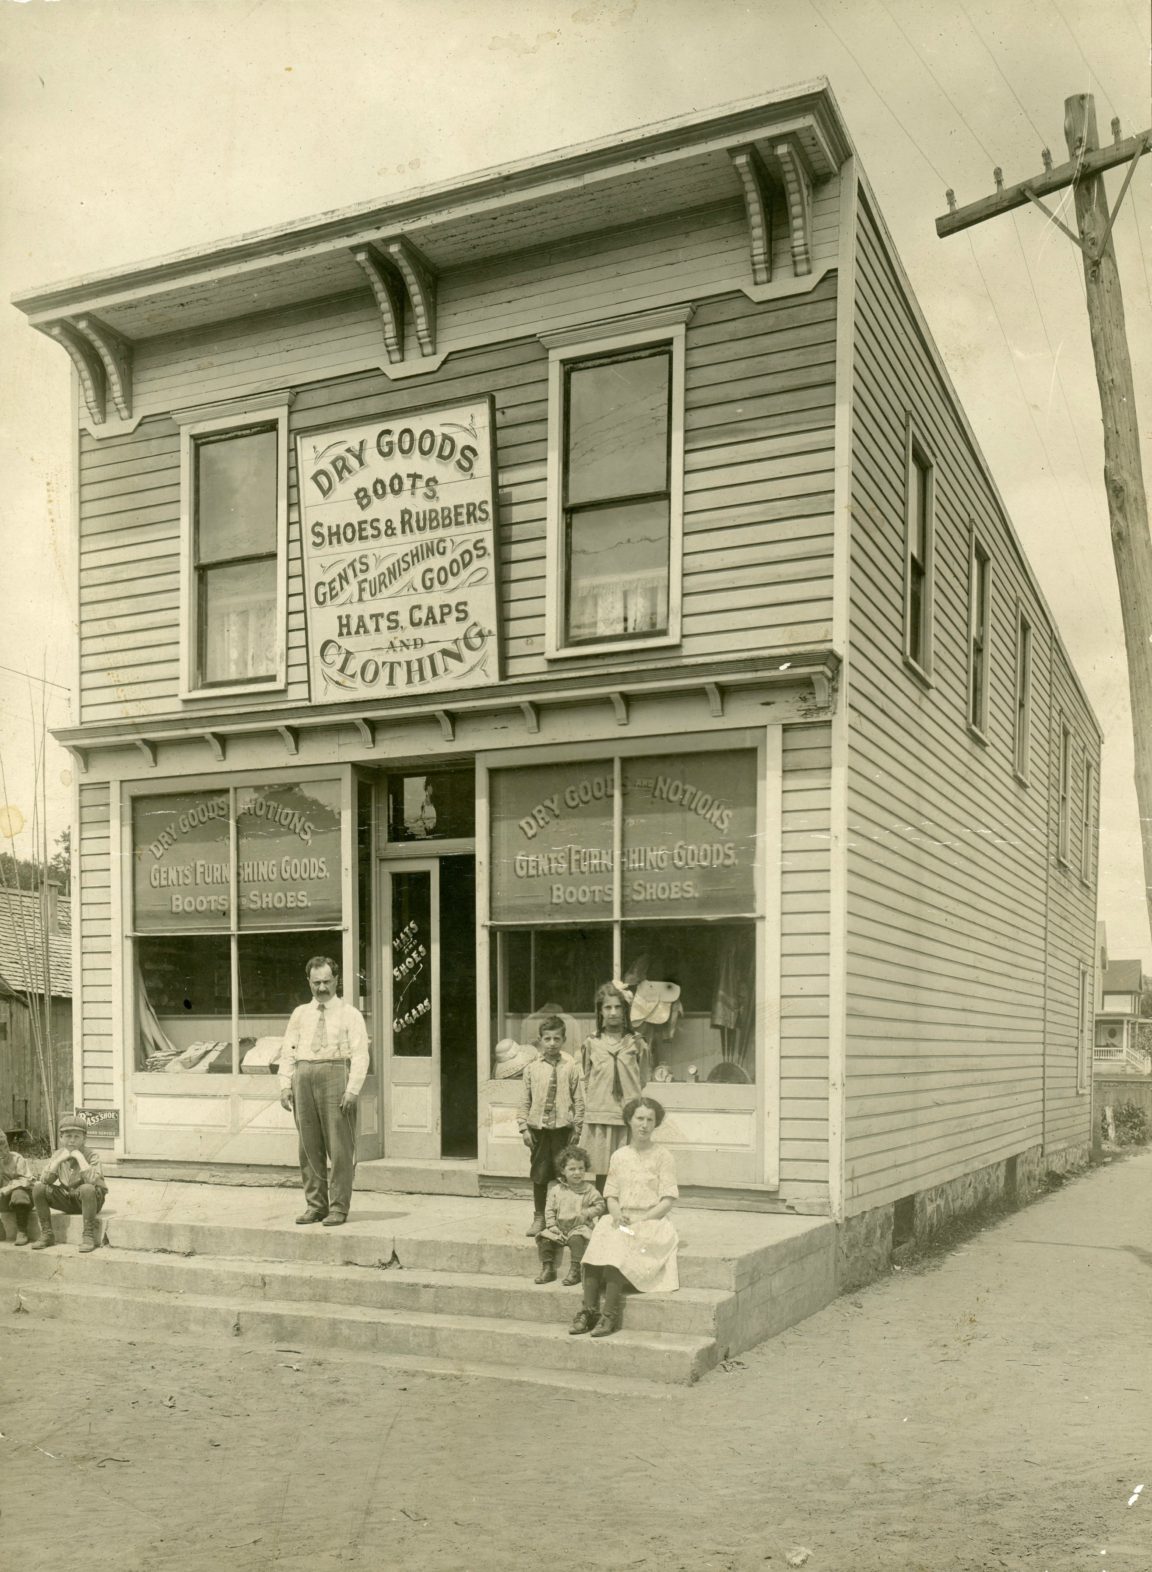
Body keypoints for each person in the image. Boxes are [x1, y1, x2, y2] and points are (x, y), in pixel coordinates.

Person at [570, 1096, 678, 1338]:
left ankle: (609, 1314)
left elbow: (668, 1200)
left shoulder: (663, 1156)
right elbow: (611, 1195)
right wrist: (616, 1214)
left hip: (652, 1222)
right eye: (639, 1118)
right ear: (629, 1120)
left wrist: (642, 1220)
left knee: (620, 1240)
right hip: (623, 1217)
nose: (644, 1124)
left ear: (656, 1124)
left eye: (650, 1119)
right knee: (602, 1230)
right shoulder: (619, 1155)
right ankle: (588, 1311)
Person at [279, 955, 369, 1228]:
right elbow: (288, 1051)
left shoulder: (349, 1014)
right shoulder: (300, 1014)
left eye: (327, 982)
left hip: (335, 1076)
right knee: (308, 1146)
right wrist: (285, 1084)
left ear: (337, 980)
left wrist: (352, 1090)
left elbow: (361, 1054)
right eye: (316, 982)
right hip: (303, 1078)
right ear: (308, 982)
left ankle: (339, 1207)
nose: (321, 988)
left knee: (340, 1147)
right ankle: (315, 1206)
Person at [517, 1015, 585, 1237]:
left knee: (563, 1175)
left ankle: (564, 1217)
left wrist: (577, 1128)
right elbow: (524, 1100)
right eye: (547, 1038)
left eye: (557, 1038)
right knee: (540, 1175)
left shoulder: (571, 1066)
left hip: (562, 1130)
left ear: (563, 1039)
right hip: (538, 1131)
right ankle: (539, 1218)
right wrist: (524, 1128)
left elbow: (579, 1100)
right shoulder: (532, 1068)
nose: (552, 1043)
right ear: (540, 1040)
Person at [580, 982, 651, 1186]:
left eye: (618, 1007)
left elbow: (642, 1078)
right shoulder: (591, 1043)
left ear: (625, 1010)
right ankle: (604, 1215)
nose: (613, 1012)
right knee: (602, 1170)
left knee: (627, 1169)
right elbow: (587, 1077)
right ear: (600, 1011)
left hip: (626, 1116)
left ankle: (624, 1213)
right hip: (600, 1115)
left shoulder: (637, 1043)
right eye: (607, 1007)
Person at [30, 1112, 108, 1252]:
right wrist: (59, 1160)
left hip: (91, 1200)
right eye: (68, 1136)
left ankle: (88, 1235)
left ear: (84, 1139)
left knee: (86, 1188)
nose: (72, 1140)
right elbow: (46, 1180)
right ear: (61, 1138)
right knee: (38, 1188)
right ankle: (47, 1234)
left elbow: (91, 1181)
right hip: (69, 1199)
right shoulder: (58, 1154)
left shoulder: (92, 1155)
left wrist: (79, 1157)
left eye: (76, 1136)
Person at [534, 1144, 605, 1286]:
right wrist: (551, 1225)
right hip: (559, 1228)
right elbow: (549, 1209)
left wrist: (588, 1213)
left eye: (581, 1168)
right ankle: (548, 1268)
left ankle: (575, 1269)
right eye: (572, 1169)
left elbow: (600, 1205)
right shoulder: (556, 1190)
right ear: (562, 1170)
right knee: (544, 1239)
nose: (577, 1172)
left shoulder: (589, 1190)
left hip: (578, 1227)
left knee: (577, 1240)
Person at [0, 1131, 35, 1245]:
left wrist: (7, 1189)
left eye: (3, 1144)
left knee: (19, 1192)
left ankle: (22, 1231)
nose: (1, 1148)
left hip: (21, 1201)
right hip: (3, 1202)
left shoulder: (16, 1158)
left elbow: (27, 1181)